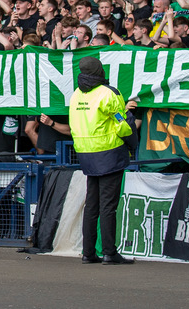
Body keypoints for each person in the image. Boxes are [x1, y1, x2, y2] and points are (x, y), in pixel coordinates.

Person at [68, 56, 137, 265]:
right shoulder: (109, 93)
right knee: (108, 205)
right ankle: (109, 252)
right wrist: (132, 141)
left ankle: (88, 253)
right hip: (109, 151)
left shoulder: (76, 94)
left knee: (92, 204)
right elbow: (121, 123)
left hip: (85, 151)